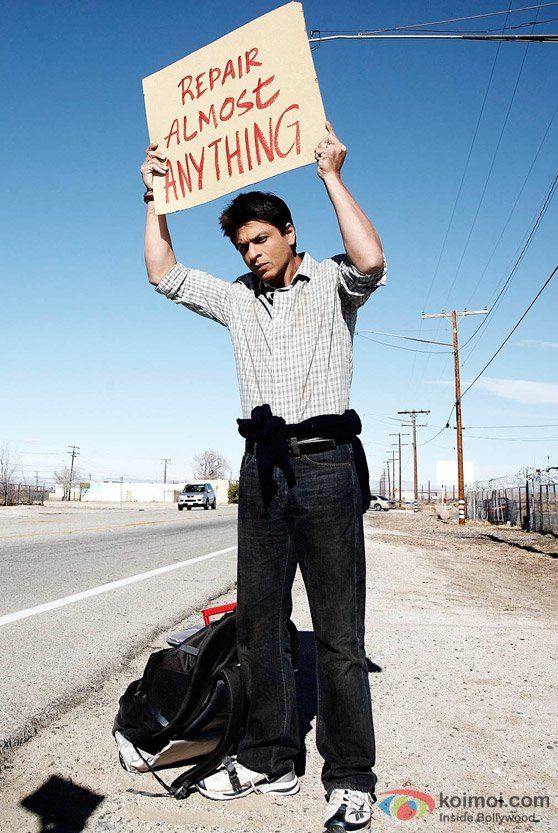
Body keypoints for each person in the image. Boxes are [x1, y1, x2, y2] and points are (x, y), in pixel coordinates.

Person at [141, 122, 387, 832]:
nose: (250, 253)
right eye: (242, 246)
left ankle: (350, 776)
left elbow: (372, 261)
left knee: (339, 633)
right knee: (259, 625)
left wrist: (332, 176)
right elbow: (163, 273)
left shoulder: (331, 282)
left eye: (259, 240)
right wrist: (154, 198)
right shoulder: (238, 299)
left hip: (326, 465)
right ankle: (271, 757)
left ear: (287, 232)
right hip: (262, 469)